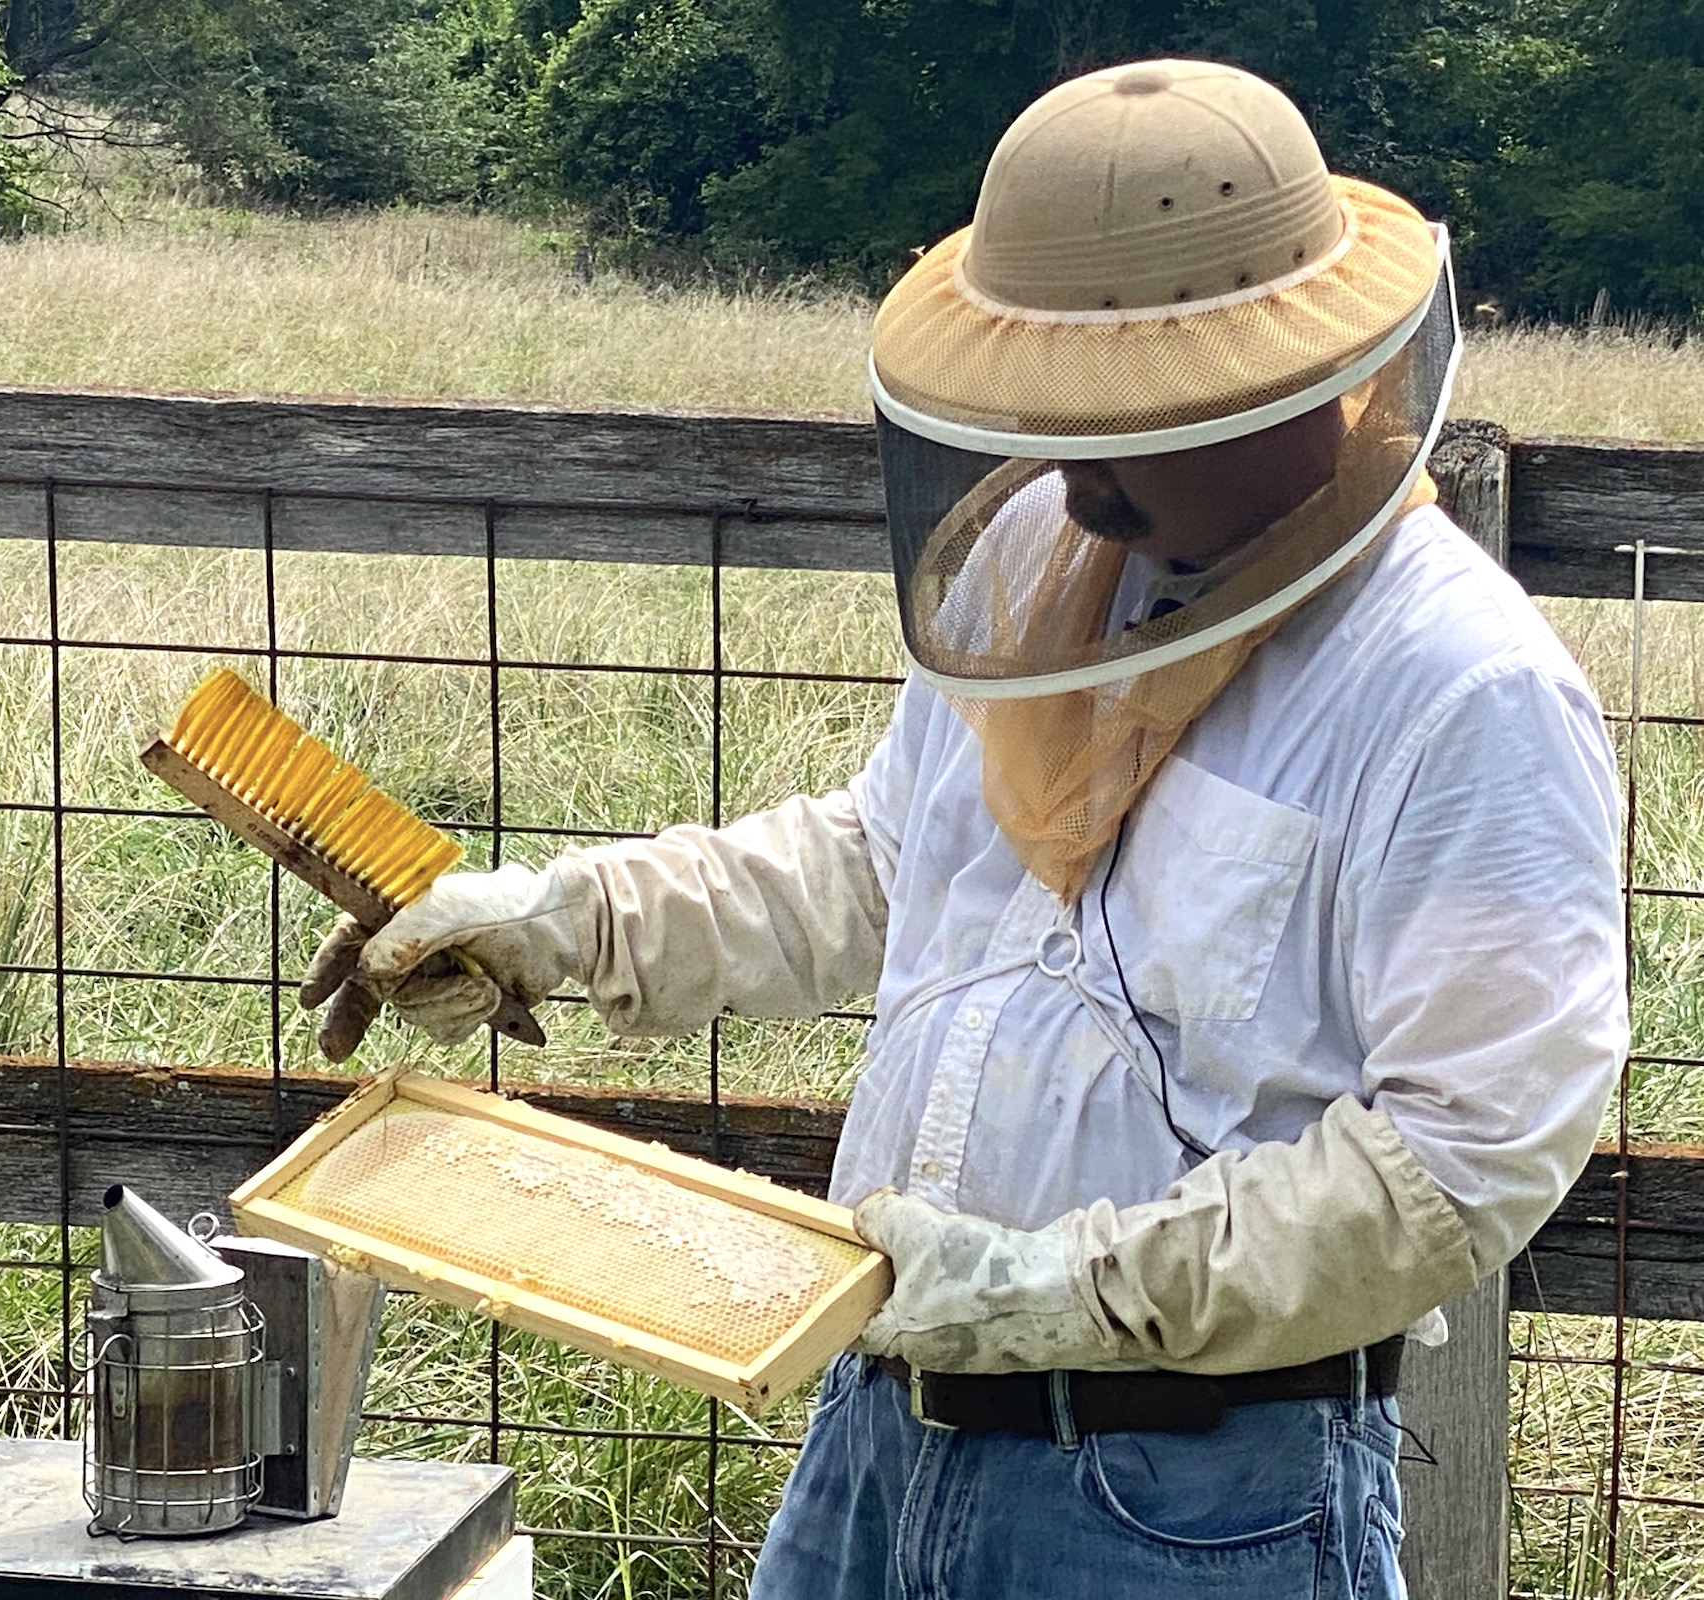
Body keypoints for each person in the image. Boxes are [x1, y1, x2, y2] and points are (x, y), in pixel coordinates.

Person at [299, 59, 1627, 1600]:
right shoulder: (1032, 558)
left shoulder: (1462, 689)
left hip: (1194, 1500)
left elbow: (1465, 1156)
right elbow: (883, 857)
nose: (1066, 461)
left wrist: (1060, 1293)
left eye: (1117, 412)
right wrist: (569, 918)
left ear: (1274, 381)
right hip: (877, 1436)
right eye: (1042, 401)